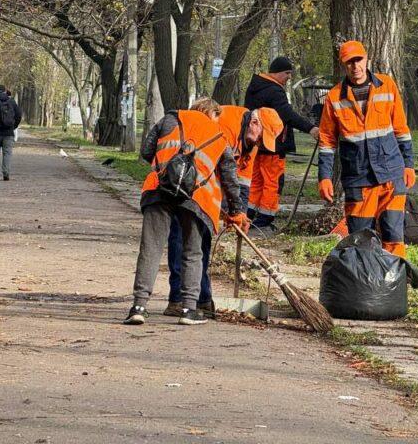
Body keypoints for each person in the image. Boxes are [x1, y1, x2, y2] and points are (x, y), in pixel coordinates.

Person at [125, 98, 248, 327]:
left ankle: (139, 307)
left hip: (158, 190)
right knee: (193, 252)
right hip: (196, 197)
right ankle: (189, 310)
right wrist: (236, 211)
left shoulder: (170, 119)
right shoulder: (219, 135)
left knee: (150, 249)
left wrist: (167, 166)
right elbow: (230, 179)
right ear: (211, 114)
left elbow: (146, 151)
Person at [317, 40, 415, 258]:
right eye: (349, 62)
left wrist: (408, 164)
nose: (355, 66)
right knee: (361, 240)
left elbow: (401, 129)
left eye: (358, 60)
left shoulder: (387, 86)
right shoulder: (334, 97)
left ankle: (395, 283)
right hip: (358, 179)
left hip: (391, 174)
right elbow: (326, 141)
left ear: (366, 59)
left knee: (393, 235)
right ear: (343, 65)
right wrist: (324, 176)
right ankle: (366, 288)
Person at [242, 56, 320, 233]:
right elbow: (287, 114)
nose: (289, 77)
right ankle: (265, 218)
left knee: (257, 179)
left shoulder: (255, 87)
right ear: (277, 72)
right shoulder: (274, 91)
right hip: (273, 143)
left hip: (256, 143)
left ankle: (250, 213)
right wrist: (311, 129)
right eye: (287, 73)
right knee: (273, 181)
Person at [0, 84, 22, 181]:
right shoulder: (11, 101)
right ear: (5, 91)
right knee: (7, 153)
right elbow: (19, 115)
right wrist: (14, 126)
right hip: (8, 132)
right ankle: (6, 173)